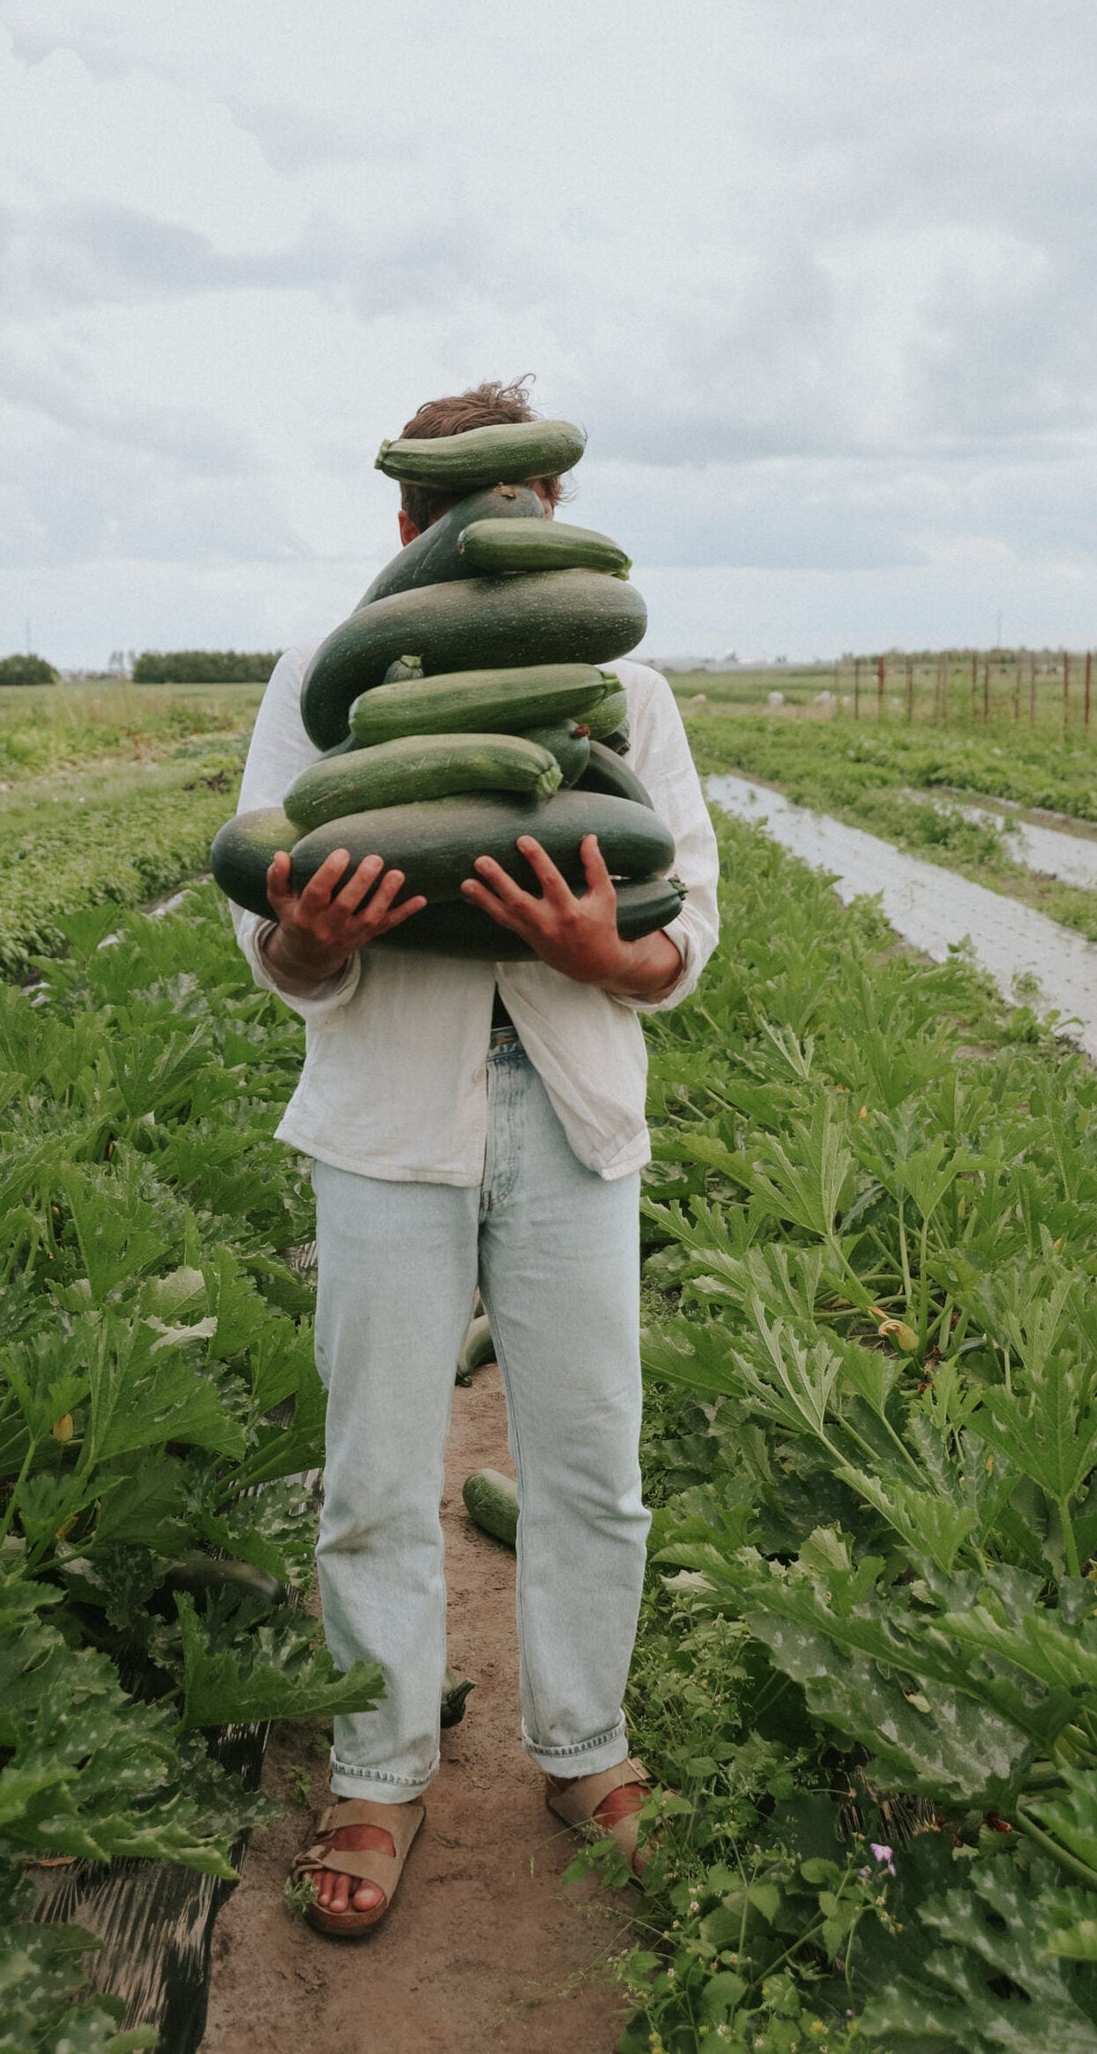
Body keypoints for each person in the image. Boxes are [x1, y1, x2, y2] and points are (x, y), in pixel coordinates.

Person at [229, 378, 719, 1938]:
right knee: (375, 1469)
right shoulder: (327, 680)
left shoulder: (623, 696)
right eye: (464, 522)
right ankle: (378, 1772)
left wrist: (607, 953)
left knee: (591, 1461)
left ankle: (586, 1747)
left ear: (551, 525)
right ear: (411, 529)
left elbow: (687, 915)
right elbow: (265, 914)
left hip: (574, 1109)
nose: (492, 544)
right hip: (387, 1116)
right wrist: (310, 937)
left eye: (521, 519)